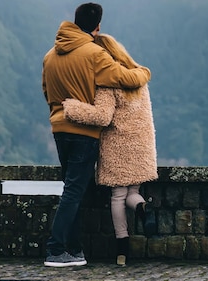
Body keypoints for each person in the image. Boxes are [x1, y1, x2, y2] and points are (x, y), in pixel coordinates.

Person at [42, 2, 151, 267]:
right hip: (84, 132)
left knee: (73, 190)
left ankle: (74, 249)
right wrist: (144, 72)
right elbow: (124, 78)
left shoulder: (50, 56)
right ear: (97, 26)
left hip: (59, 128)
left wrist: (59, 112)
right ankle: (56, 250)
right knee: (73, 192)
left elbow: (47, 91)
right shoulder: (94, 54)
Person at [62, 33, 158, 267]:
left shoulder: (108, 83)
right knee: (132, 193)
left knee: (117, 197)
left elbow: (102, 117)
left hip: (118, 147)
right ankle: (142, 207)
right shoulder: (138, 79)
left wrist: (72, 107)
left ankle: (122, 252)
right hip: (143, 147)